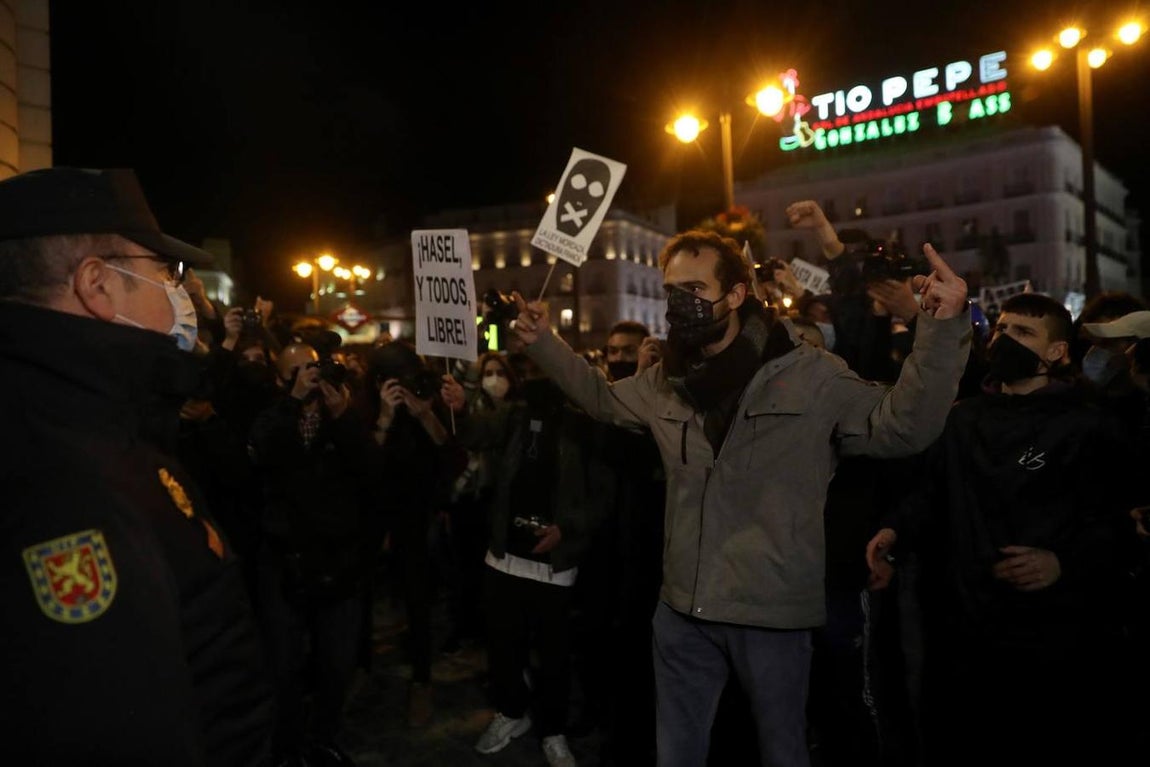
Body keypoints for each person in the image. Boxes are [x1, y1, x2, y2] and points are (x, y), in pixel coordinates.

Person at [509, 228, 970, 766]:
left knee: (780, 751)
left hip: (770, 614)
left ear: (735, 294)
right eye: (671, 289)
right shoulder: (665, 380)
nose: (679, 302)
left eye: (694, 289)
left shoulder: (810, 375)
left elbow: (903, 427)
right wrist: (542, 341)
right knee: (677, 753)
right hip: (682, 610)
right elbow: (601, 399)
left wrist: (940, 330)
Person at [0, 167, 273, 765]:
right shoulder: (64, 479)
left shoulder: (90, 421)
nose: (179, 291)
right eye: (164, 271)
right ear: (97, 285)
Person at [865, 293, 1136, 765]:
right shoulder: (963, 418)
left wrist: (1063, 562)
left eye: (1024, 332)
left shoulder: (1088, 425)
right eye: (1003, 328)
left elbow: (1116, 522)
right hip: (966, 629)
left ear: (1057, 351)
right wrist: (894, 533)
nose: (1005, 339)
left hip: (1051, 634)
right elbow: (932, 494)